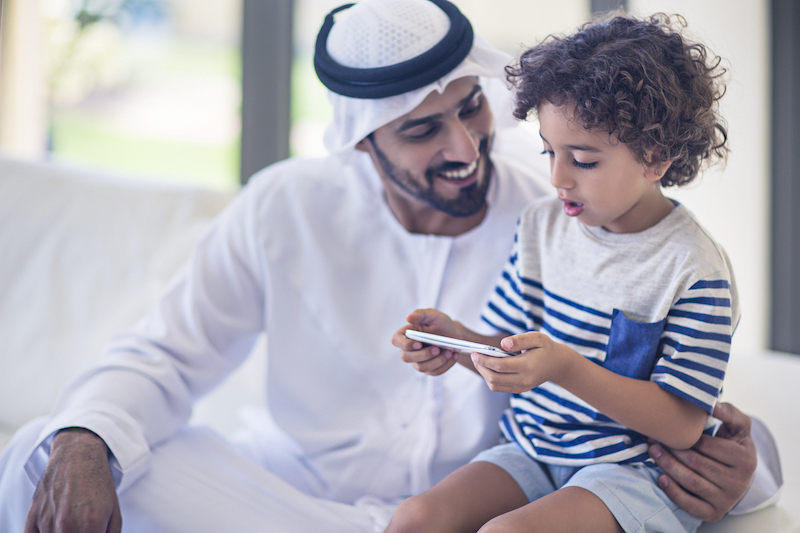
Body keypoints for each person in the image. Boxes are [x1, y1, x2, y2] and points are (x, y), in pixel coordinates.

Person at [0, 1, 778, 532]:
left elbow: (682, 395)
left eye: (472, 107)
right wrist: (85, 438)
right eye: (421, 130)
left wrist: (747, 470)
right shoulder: (284, 206)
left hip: (483, 504)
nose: (465, 146)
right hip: (289, 505)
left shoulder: (568, 205)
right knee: (47, 446)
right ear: (364, 139)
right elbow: (164, 356)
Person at [385, 12, 768, 533]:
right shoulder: (540, 226)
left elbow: (681, 424)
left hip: (631, 472)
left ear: (655, 157)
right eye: (549, 151)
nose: (557, 177)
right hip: (533, 449)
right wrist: (460, 344)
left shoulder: (695, 269)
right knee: (415, 519)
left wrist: (564, 366)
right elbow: (512, 351)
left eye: (583, 161)